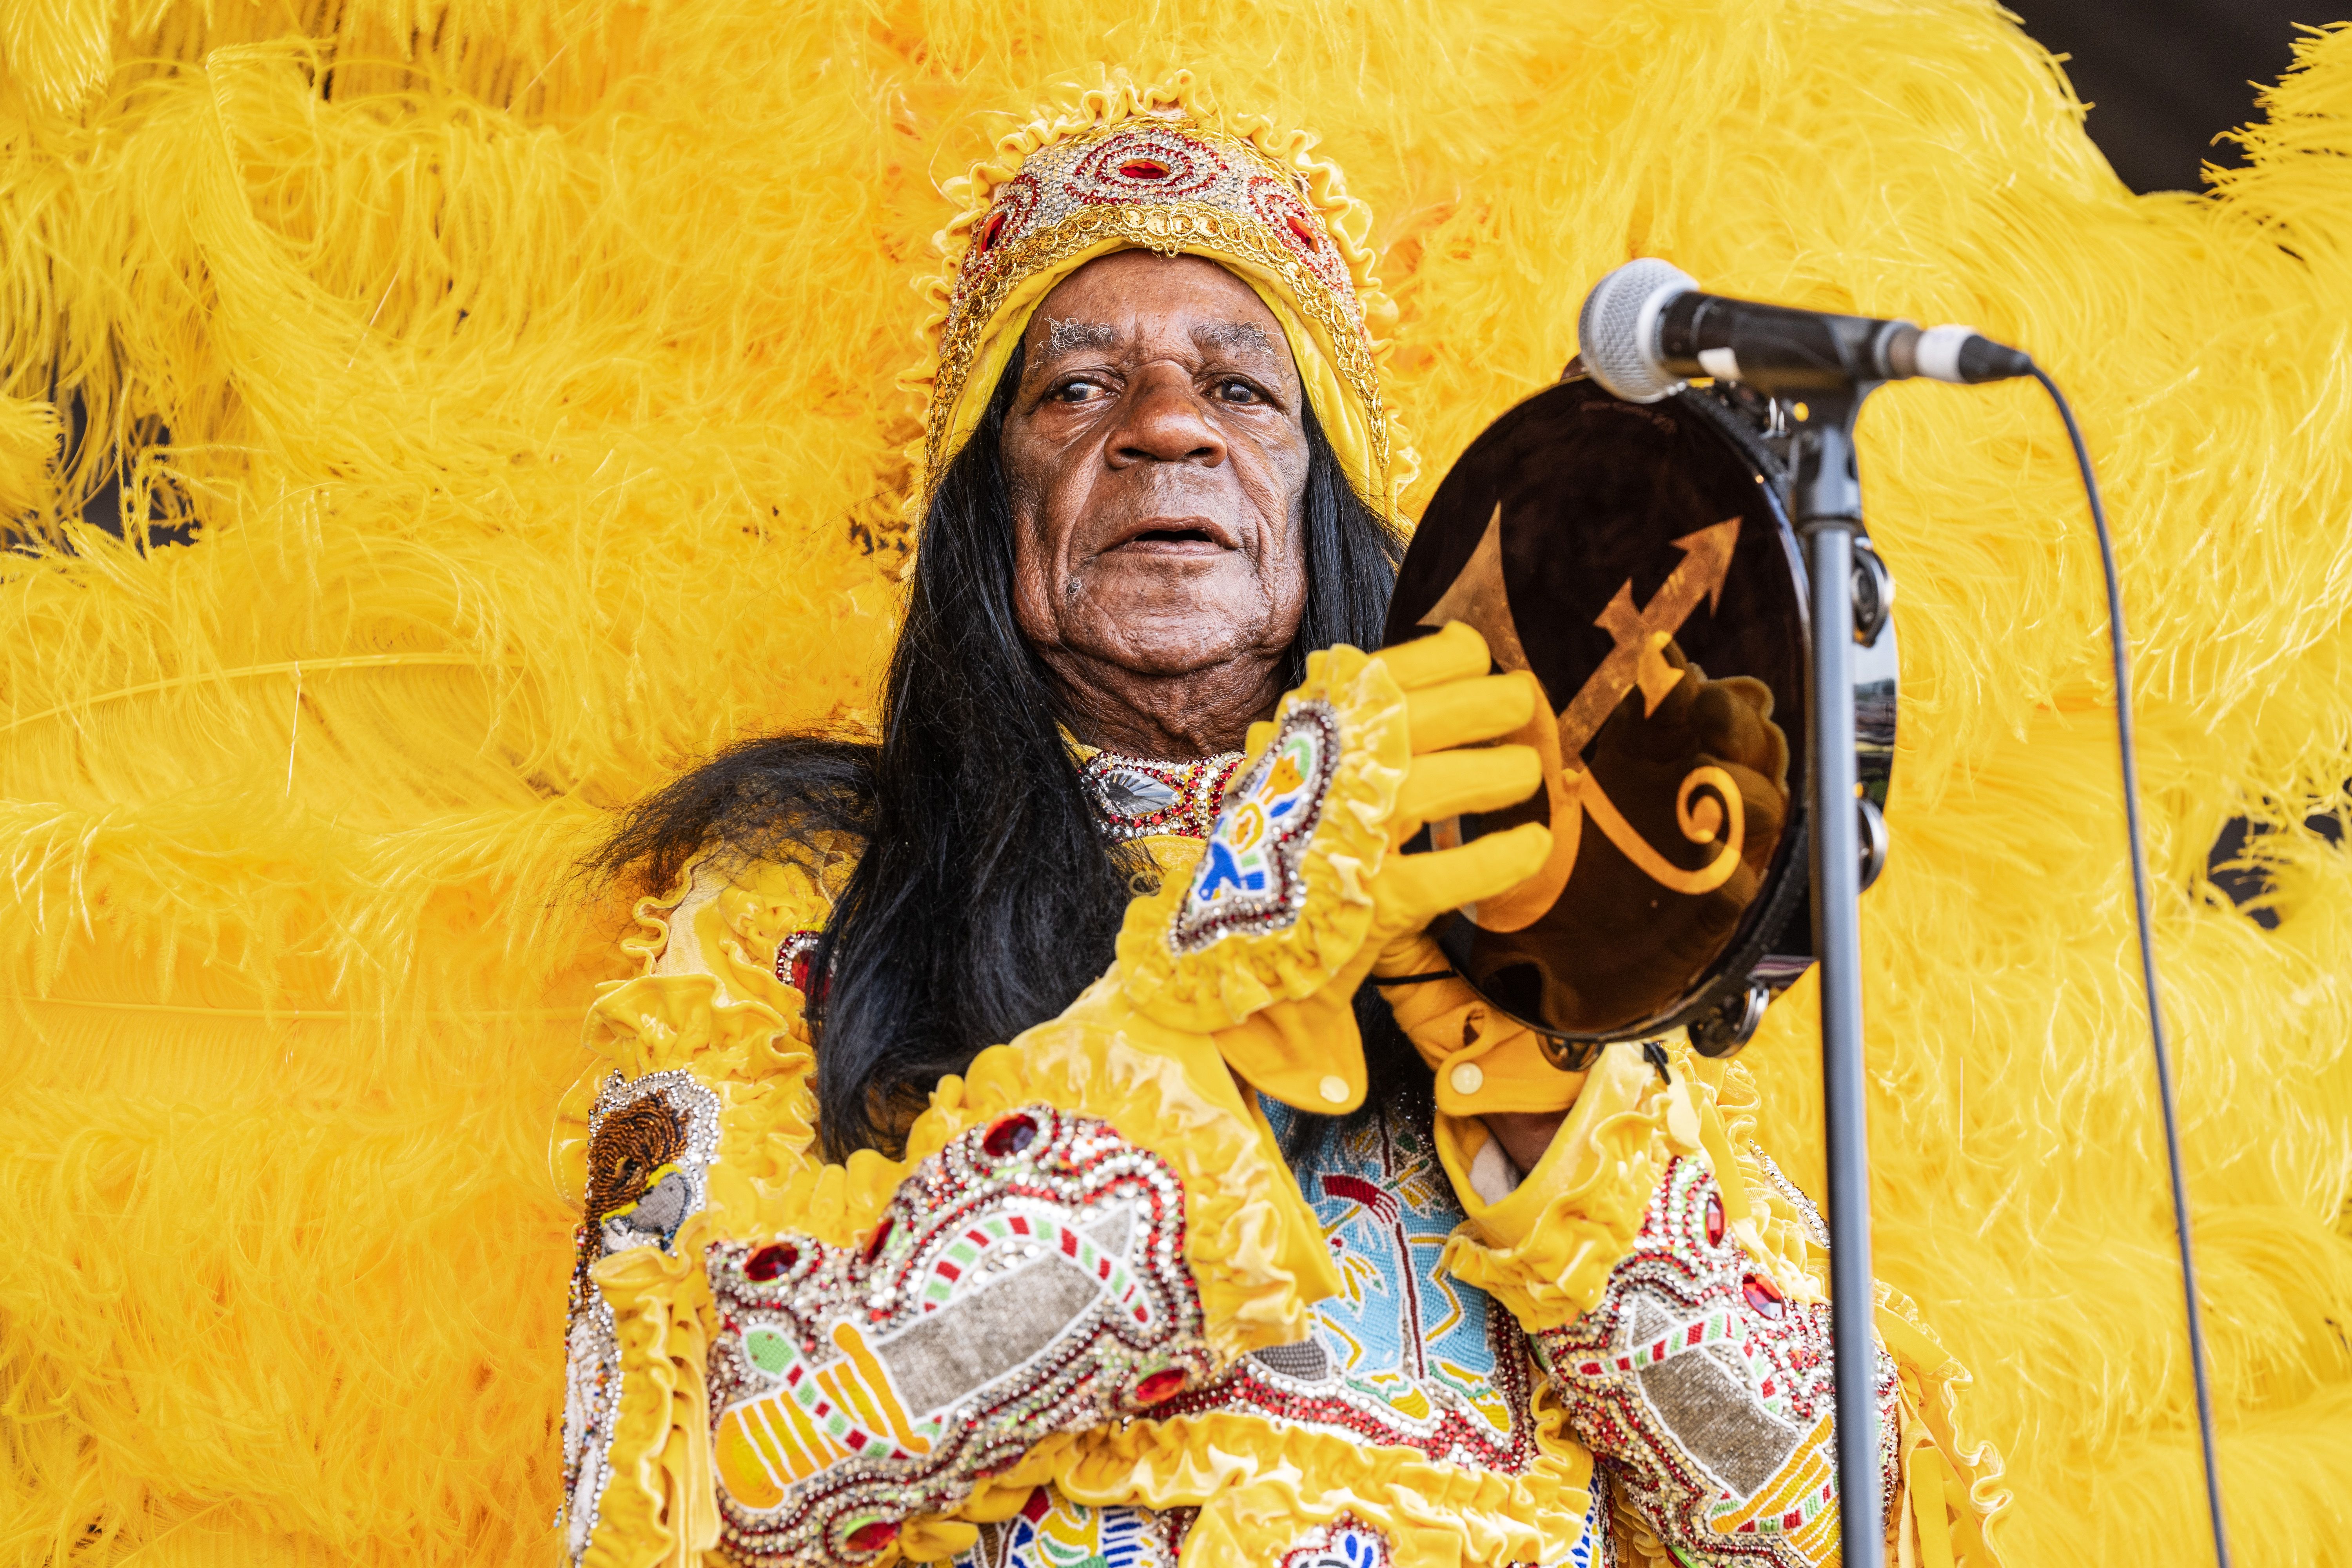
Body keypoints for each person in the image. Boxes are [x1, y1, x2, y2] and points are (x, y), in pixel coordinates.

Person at [555, 78, 2006, 1568]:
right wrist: (1216, 989)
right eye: (1076, 389)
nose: (1168, 424)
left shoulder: (1535, 899)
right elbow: (675, 1471)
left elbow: (1856, 1524)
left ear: (1325, 505)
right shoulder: (806, 886)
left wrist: (1549, 1124)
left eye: (1245, 389)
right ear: (988, 509)